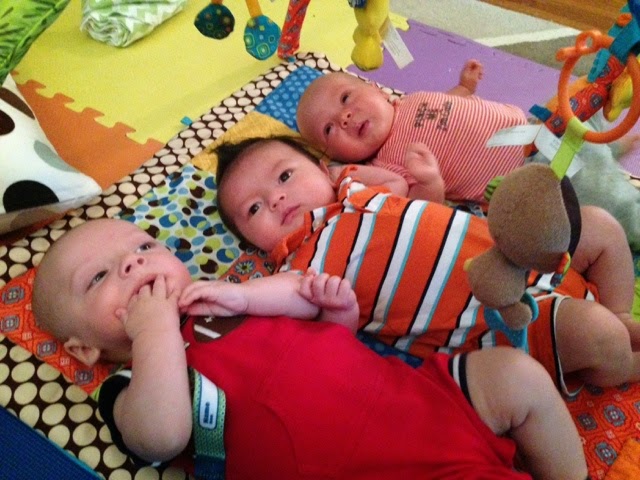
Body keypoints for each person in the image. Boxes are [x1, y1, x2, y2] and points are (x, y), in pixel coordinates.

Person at [31, 218, 588, 480]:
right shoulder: (130, 385)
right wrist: (153, 331)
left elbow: (310, 310)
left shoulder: (222, 299)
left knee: (514, 374)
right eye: (99, 277)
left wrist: (276, 300)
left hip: (426, 400)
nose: (133, 263)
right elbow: (162, 435)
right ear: (84, 350)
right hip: (371, 469)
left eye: (144, 245)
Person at [213, 135, 640, 397]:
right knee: (597, 333)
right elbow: (291, 295)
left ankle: (620, 313)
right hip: (504, 323)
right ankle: (622, 362)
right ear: (253, 244)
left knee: (599, 226)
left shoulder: (356, 191)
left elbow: (405, 191)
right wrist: (239, 294)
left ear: (326, 170)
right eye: (253, 209)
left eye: (285, 176)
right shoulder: (304, 262)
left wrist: (405, 178)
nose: (276, 199)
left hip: (522, 254)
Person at [296, 62, 640, 250]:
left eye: (345, 99)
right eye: (329, 129)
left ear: (374, 88)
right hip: (532, 174)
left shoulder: (406, 100)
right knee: (601, 198)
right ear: (337, 154)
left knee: (579, 100)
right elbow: (422, 208)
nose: (344, 117)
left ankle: (606, 149)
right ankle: (630, 212)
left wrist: (465, 87)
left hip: (538, 125)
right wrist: (430, 179)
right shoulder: (386, 166)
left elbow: (443, 105)